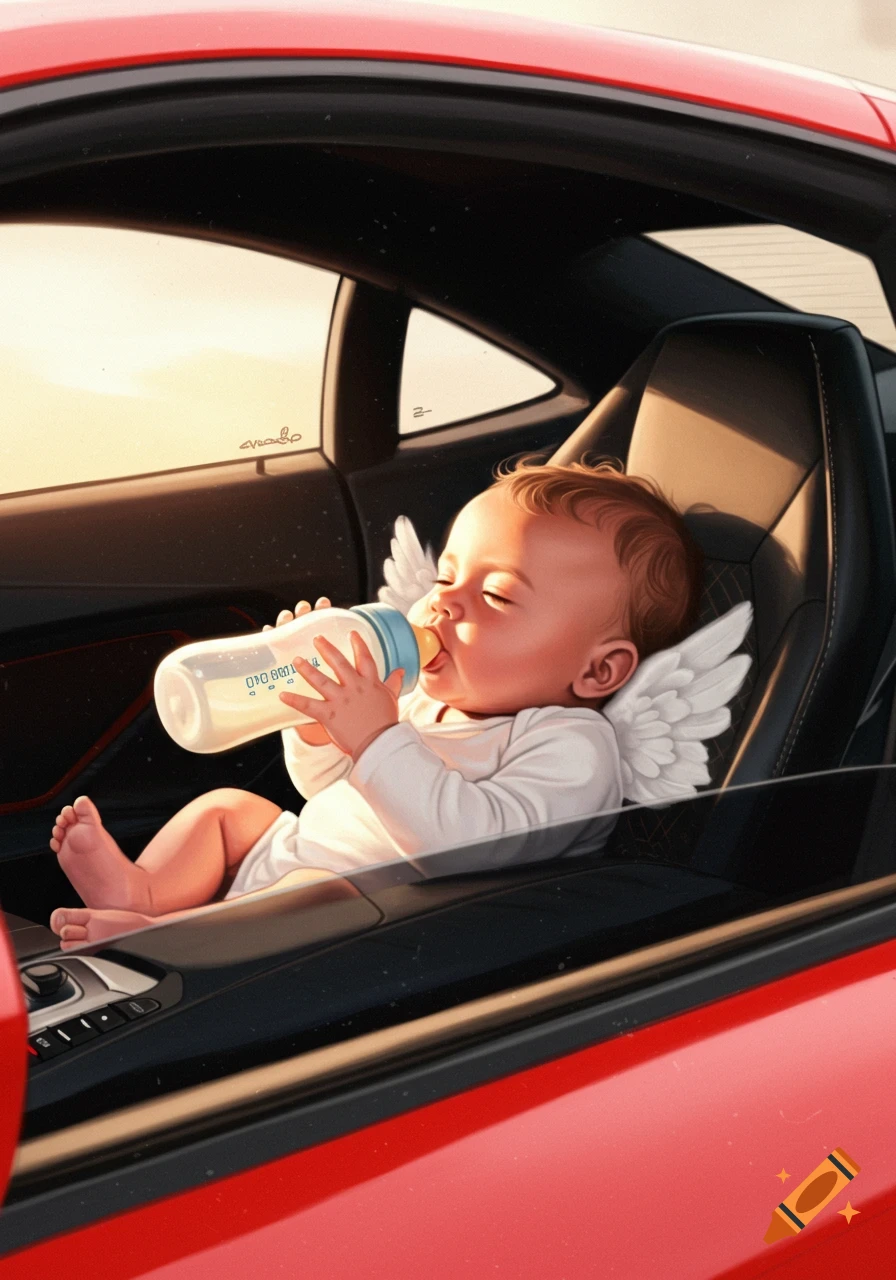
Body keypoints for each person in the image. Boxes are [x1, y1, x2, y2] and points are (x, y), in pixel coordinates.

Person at [49, 456, 704, 949]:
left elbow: (469, 847)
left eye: (498, 596)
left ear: (598, 671)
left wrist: (375, 738)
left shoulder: (570, 744)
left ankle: (173, 937)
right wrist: (318, 729)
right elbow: (331, 788)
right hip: (302, 851)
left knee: (315, 895)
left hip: (373, 908)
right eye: (447, 576)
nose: (444, 601)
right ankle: (141, 891)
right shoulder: (423, 702)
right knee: (228, 810)